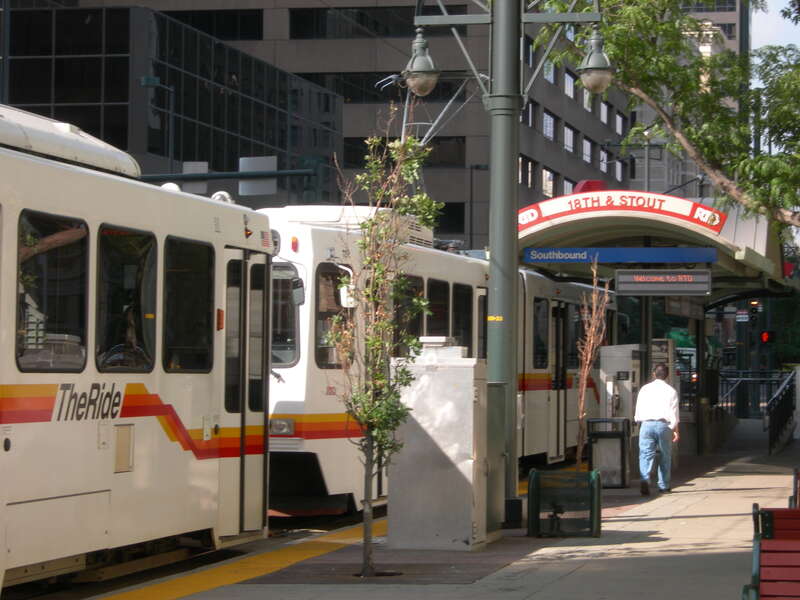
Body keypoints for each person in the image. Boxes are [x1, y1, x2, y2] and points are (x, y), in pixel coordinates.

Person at [634, 362, 680, 496]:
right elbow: (674, 413)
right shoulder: (671, 391)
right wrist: (675, 429)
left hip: (646, 424)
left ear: (654, 373)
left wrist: (639, 420)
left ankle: (645, 478)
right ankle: (664, 486)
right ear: (667, 375)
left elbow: (638, 408)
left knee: (645, 454)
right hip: (663, 425)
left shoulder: (644, 389)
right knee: (665, 456)